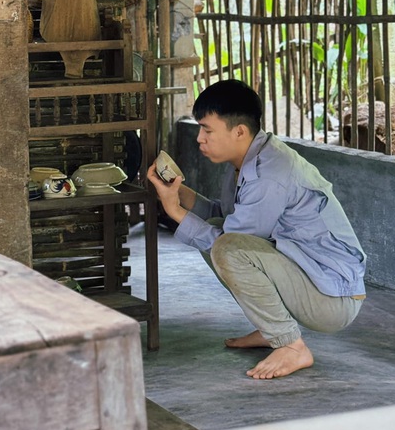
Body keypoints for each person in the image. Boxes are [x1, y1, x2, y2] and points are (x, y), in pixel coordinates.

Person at [147, 79, 366, 380]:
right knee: (215, 234)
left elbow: (228, 243)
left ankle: (291, 345)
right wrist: (180, 194)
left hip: (333, 300)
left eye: (207, 130)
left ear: (239, 131)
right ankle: (272, 329)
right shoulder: (247, 161)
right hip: (312, 282)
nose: (199, 139)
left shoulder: (269, 173)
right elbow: (226, 220)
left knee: (225, 248)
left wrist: (174, 211)